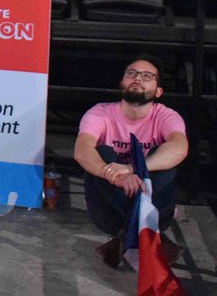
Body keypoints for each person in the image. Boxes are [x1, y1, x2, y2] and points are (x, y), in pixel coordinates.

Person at [74, 56, 189, 266]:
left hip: (152, 207)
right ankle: (154, 239)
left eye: (147, 76)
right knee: (102, 153)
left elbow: (180, 148)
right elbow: (81, 151)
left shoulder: (167, 117)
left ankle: (123, 236)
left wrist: (131, 169)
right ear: (122, 83)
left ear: (158, 91)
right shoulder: (99, 113)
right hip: (107, 215)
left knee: (163, 155)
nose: (138, 78)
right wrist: (114, 176)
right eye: (132, 73)